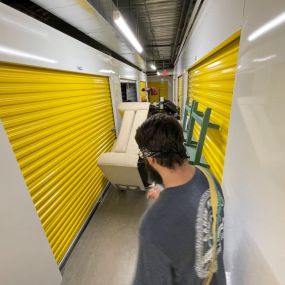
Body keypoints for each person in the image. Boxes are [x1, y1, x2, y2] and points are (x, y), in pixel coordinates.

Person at [133, 113, 226, 285]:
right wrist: (167, 199)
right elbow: (193, 210)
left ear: (151, 159)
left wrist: (165, 207)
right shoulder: (210, 181)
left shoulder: (152, 227)